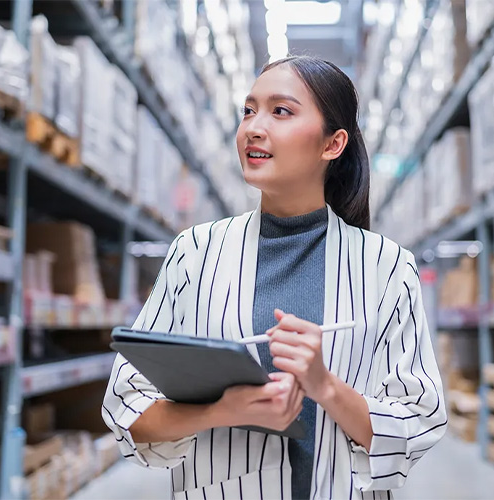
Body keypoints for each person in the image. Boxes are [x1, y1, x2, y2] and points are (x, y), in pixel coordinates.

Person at [102, 55, 447, 500]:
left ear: (332, 144)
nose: (253, 128)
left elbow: (417, 423)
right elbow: (126, 405)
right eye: (249, 110)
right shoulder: (196, 253)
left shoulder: (385, 267)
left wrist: (324, 386)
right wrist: (221, 410)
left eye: (280, 111)